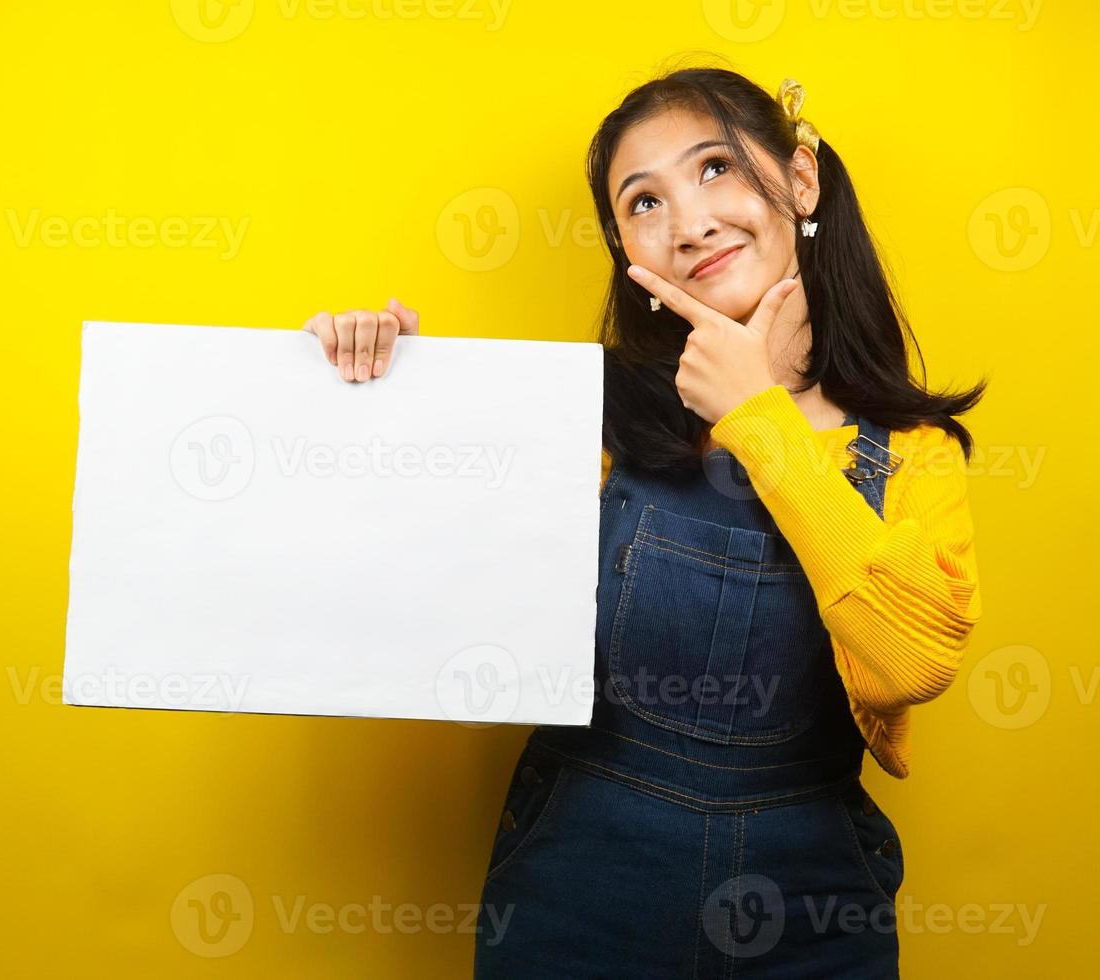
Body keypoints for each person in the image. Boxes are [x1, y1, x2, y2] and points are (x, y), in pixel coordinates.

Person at [305, 65, 985, 979]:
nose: (689, 222)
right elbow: (420, 604)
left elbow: (910, 661)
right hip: (582, 889)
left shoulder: (912, 452)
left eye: (714, 169)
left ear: (801, 177)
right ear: (631, 255)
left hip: (814, 914)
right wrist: (379, 400)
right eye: (643, 202)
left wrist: (756, 414)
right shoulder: (585, 421)